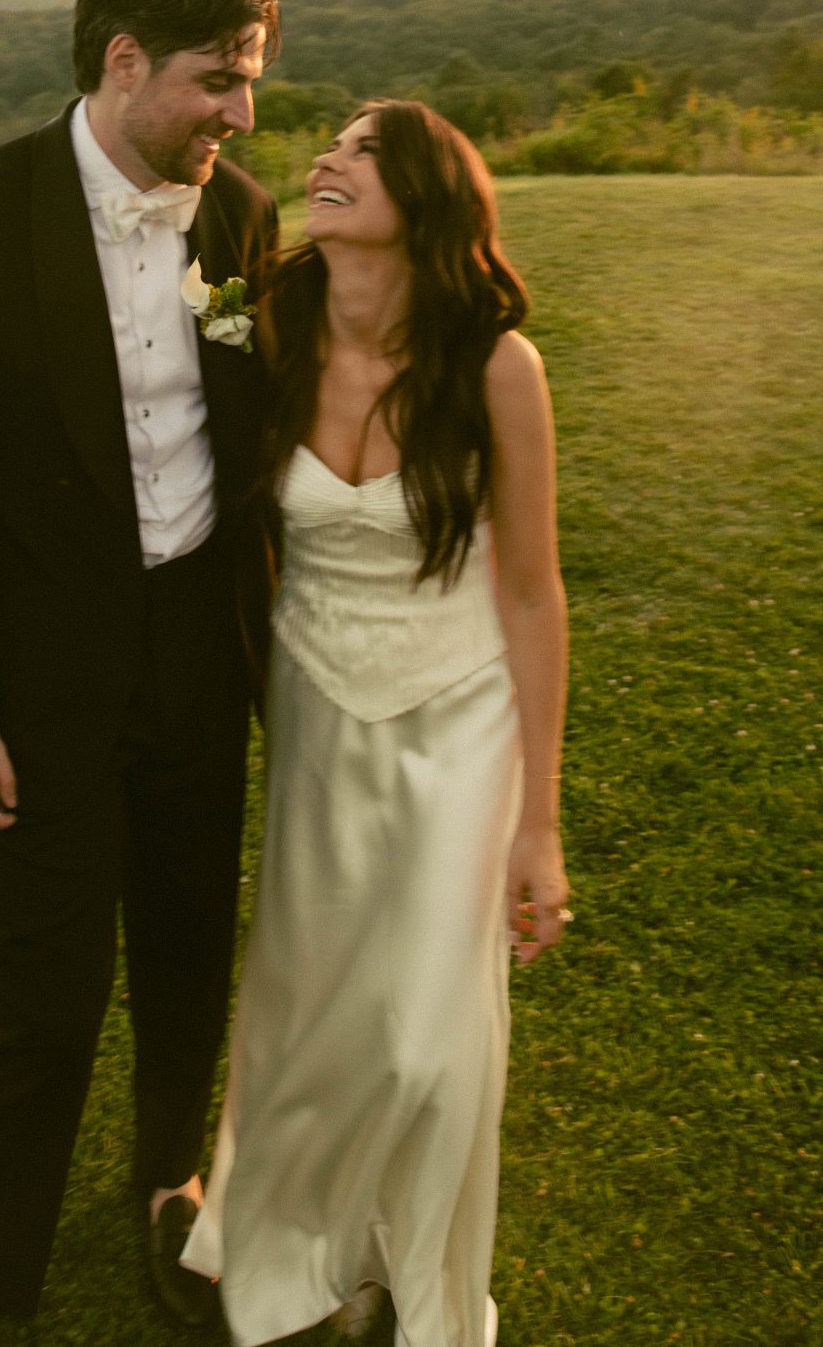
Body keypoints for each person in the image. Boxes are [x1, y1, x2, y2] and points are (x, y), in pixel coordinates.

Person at [0, 0, 280, 1347]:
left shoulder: (243, 220)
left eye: (251, 83)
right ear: (119, 62)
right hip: (33, 685)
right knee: (38, 985)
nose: (239, 114)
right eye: (217, 82)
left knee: (181, 946)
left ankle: (170, 1179)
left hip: (196, 660)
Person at [183, 100, 570, 1347]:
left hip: (459, 707)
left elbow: (529, 588)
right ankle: (310, 1251)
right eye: (331, 144)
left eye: (364, 149)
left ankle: (422, 1273)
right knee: (306, 997)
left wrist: (541, 822)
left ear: (430, 197)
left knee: (423, 1028)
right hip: (312, 694)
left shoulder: (498, 367)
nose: (329, 158)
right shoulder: (274, 328)